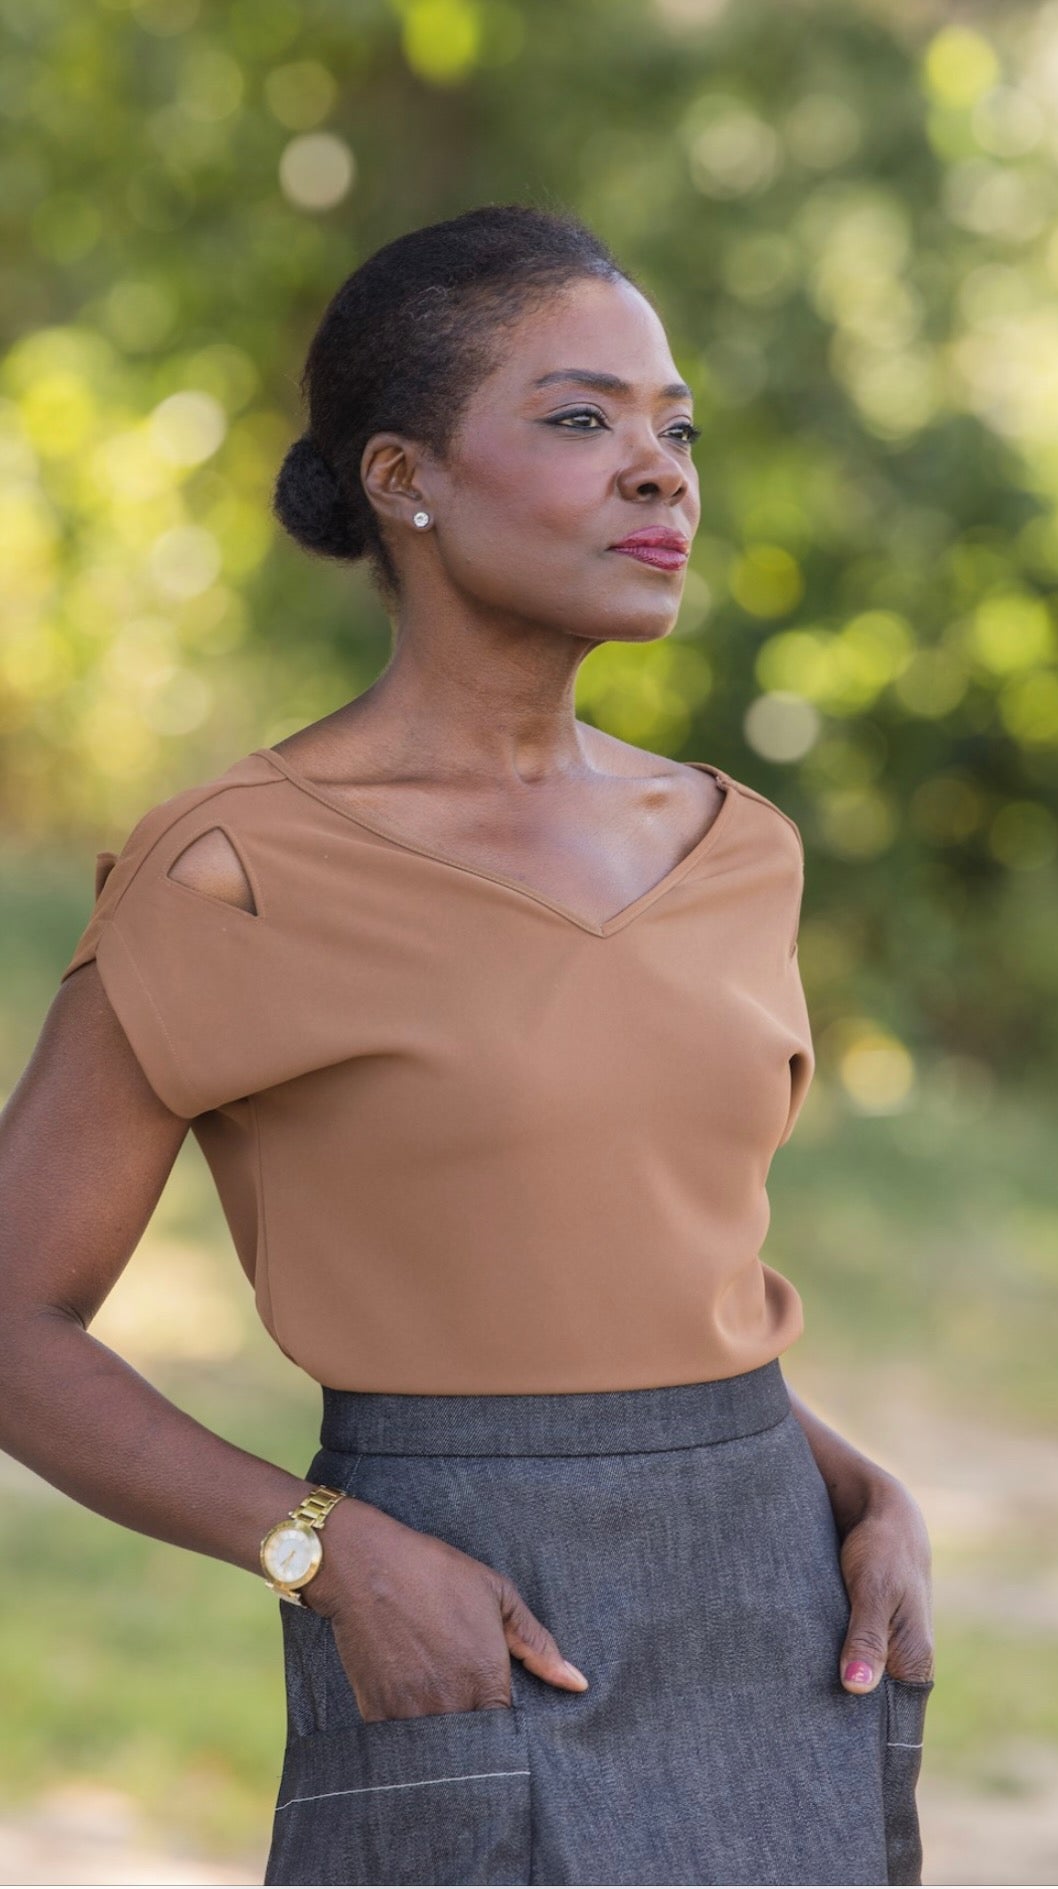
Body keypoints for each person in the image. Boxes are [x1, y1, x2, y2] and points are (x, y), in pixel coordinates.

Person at [0, 203, 935, 1887]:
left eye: (677, 431)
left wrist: (860, 1489)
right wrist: (322, 1550)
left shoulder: (738, 847)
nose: (659, 472)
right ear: (401, 479)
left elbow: (640, 1277)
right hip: (461, 1615)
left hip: (779, 1607)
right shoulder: (237, 864)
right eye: (582, 418)